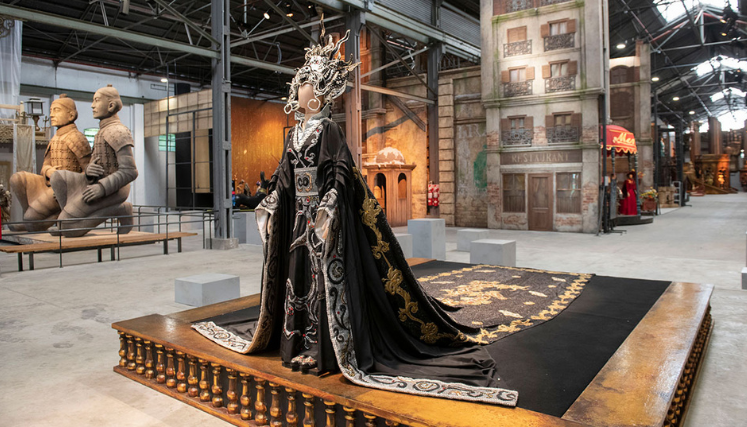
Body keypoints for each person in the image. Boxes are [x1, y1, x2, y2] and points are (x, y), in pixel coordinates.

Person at [192, 19, 518, 406]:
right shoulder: (293, 134)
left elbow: (340, 170)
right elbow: (283, 176)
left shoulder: (328, 129)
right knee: (298, 279)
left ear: (319, 93)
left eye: (307, 84)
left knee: (321, 283)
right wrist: (271, 201)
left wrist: (330, 203)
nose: (300, 89)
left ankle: (324, 351)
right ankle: (298, 343)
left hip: (321, 219)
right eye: (300, 84)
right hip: (297, 220)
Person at [50, 85, 138, 237]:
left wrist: (102, 188)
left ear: (111, 106)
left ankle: (121, 209)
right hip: (94, 182)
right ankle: (69, 218)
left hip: (114, 189)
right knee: (57, 177)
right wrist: (89, 170)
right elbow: (97, 161)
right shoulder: (101, 131)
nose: (92, 105)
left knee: (67, 228)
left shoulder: (118, 131)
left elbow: (130, 171)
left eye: (97, 100)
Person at [9, 95, 92, 231]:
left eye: (56, 110)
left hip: (66, 189)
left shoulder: (78, 138)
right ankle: (32, 220)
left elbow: (88, 172)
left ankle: (35, 221)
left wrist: (68, 188)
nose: (52, 114)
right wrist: (49, 171)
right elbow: (45, 166)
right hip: (49, 184)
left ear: (71, 115)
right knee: (17, 178)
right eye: (51, 111)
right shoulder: (55, 137)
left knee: (31, 218)